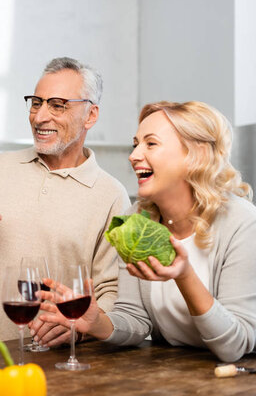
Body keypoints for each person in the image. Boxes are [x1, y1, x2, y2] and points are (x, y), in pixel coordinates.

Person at [40, 101, 256, 362]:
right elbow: (135, 318)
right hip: (175, 373)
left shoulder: (242, 222)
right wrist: (96, 322)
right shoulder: (135, 221)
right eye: (136, 144)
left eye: (151, 144)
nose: (134, 155)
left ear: (195, 155)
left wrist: (184, 275)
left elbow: (235, 346)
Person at [0, 57, 130, 342]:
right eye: (36, 103)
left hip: (50, 361)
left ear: (90, 115)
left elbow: (112, 293)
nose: (39, 117)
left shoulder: (112, 196)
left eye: (57, 105)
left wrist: (78, 330)